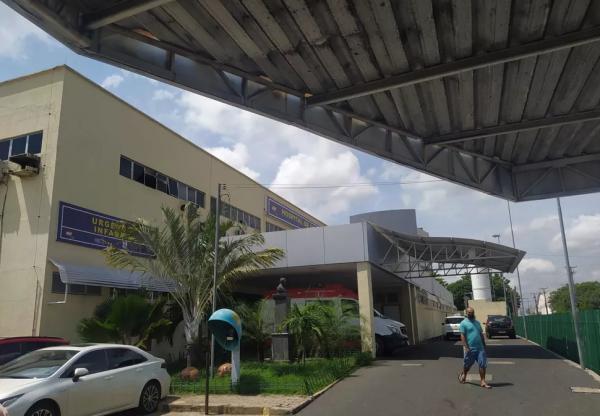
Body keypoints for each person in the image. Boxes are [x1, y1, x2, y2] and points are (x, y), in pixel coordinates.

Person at [458, 307, 491, 389]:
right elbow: (462, 336)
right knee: (467, 365)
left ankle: (482, 381)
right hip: (470, 348)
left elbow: (480, 334)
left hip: (480, 348)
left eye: (472, 312)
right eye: (469, 312)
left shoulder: (477, 323)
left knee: (482, 364)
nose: (470, 314)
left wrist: (484, 344)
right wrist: (466, 346)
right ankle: (464, 374)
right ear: (466, 313)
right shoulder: (463, 323)